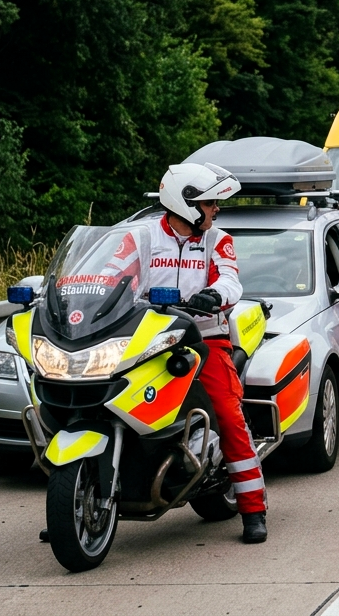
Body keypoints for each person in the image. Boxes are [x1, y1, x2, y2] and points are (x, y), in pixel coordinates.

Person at [116, 163, 268, 543]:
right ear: (186, 203)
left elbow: (231, 280)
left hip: (203, 338)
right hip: (144, 340)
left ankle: (253, 509)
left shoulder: (217, 239)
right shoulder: (141, 237)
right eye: (209, 202)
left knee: (229, 414)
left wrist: (215, 294)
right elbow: (112, 276)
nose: (216, 209)